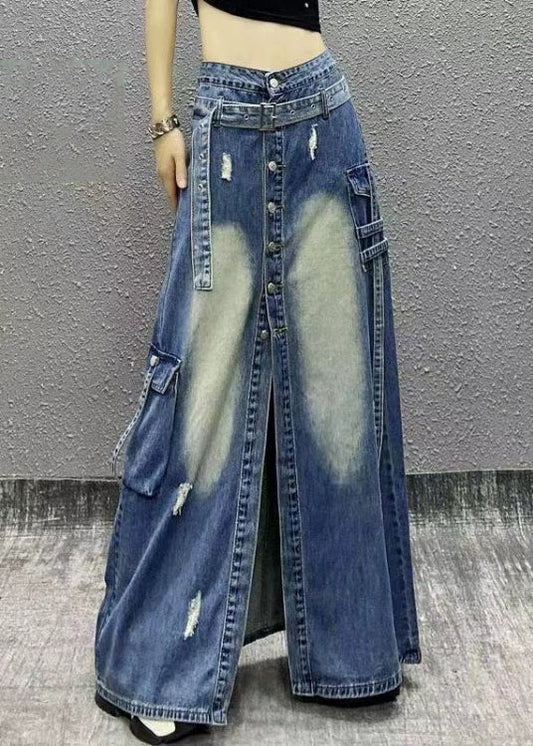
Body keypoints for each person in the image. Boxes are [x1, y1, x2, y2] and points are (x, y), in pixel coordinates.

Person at [93, 0, 423, 743]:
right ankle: (160, 663)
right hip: (228, 123)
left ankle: (350, 651)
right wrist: (162, 120)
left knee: (339, 401)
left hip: (321, 113)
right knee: (201, 411)